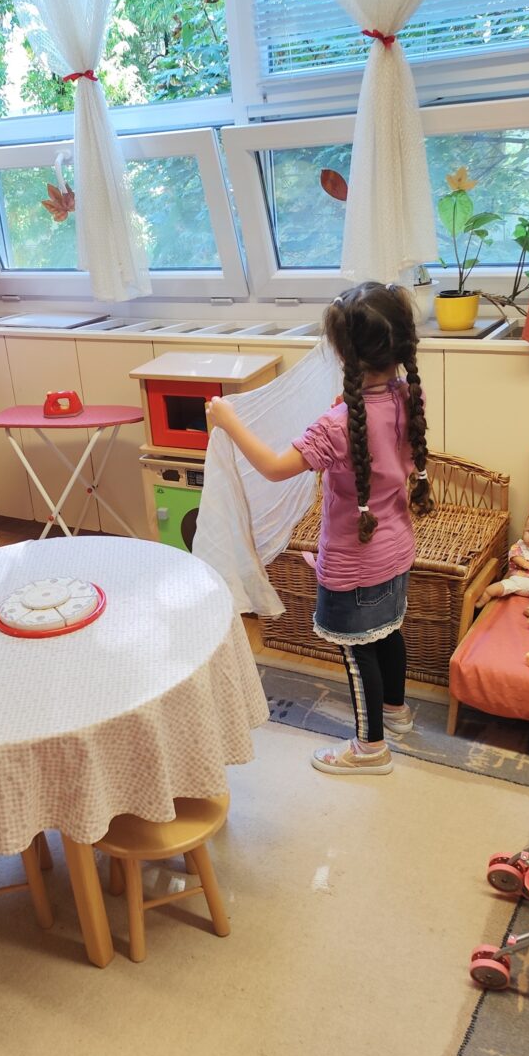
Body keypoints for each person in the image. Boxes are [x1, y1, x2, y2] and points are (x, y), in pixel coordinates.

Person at [208, 282, 432, 776]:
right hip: (397, 550)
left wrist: (227, 419)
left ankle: (369, 748)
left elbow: (273, 467)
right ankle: (396, 713)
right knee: (388, 634)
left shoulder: (338, 423)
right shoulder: (405, 395)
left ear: (342, 352)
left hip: (354, 564)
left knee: (357, 653)